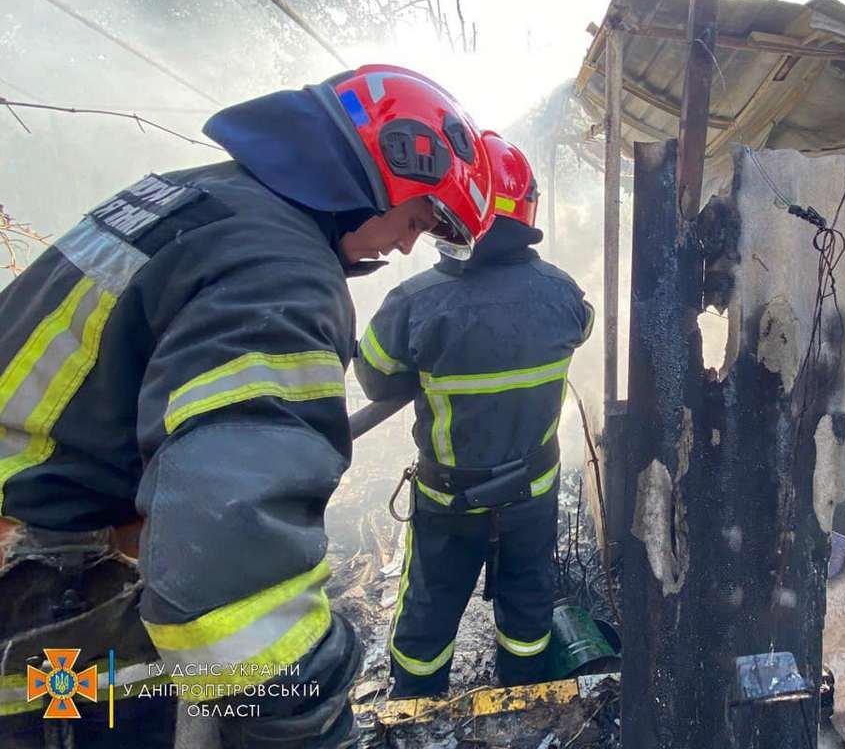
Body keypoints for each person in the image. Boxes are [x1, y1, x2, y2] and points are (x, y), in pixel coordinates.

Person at [0, 64, 493, 748]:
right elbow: (228, 578)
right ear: (388, 167)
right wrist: (311, 713)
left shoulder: (182, 196)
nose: (407, 245)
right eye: (416, 219)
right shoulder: (280, 271)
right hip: (50, 602)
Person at [355, 131, 594, 699]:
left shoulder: (413, 303)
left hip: (449, 502)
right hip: (531, 495)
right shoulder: (563, 295)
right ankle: (525, 698)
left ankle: (413, 708)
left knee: (427, 616)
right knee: (528, 606)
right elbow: (579, 328)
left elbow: (374, 377)